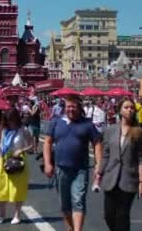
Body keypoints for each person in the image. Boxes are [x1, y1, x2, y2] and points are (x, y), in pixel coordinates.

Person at [43, 94, 103, 231]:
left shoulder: (87, 124)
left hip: (80, 170)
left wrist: (98, 164)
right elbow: (47, 142)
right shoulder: (56, 122)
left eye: (74, 107)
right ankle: (70, 227)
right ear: (65, 107)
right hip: (60, 169)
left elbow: (97, 143)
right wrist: (47, 163)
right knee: (64, 205)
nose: (71, 109)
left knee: (78, 201)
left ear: (79, 107)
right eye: (69, 106)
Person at [97, 98, 142, 231]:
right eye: (126, 107)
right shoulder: (110, 130)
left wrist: (141, 182)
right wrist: (99, 173)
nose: (130, 110)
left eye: (132, 108)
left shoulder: (138, 132)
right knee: (109, 215)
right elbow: (106, 154)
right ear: (120, 110)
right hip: (111, 177)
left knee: (123, 215)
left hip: (129, 179)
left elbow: (140, 158)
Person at [0, 108, 34, 224]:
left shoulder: (23, 130)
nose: (9, 122)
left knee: (17, 189)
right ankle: (2, 215)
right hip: (4, 160)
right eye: (7, 120)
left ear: (16, 118)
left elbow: (32, 145)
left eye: (11, 120)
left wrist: (21, 149)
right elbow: (2, 144)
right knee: (2, 188)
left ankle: (17, 215)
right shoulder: (4, 130)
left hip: (18, 160)